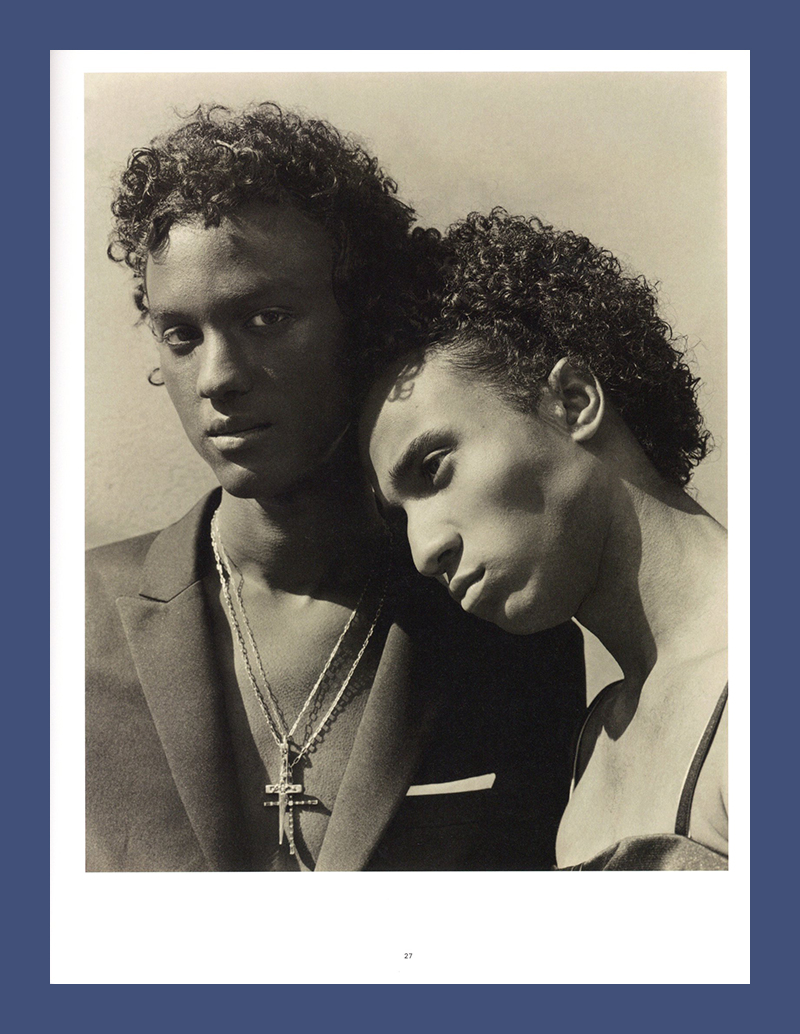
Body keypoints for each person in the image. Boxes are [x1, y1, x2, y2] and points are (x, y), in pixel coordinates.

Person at [86, 107, 585, 872]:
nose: (217, 377)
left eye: (266, 318)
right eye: (181, 335)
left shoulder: (507, 628)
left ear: (364, 320)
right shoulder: (62, 623)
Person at [362, 209, 728, 870]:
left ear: (574, 401)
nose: (423, 551)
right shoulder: (595, 743)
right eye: (401, 516)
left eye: (434, 469)